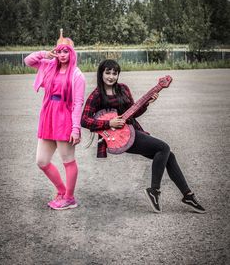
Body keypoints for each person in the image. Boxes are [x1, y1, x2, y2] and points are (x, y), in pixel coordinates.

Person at [81, 59, 206, 213]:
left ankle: (187, 195)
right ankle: (154, 190)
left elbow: (134, 112)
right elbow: (84, 120)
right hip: (118, 138)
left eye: (115, 73)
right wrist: (109, 124)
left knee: (169, 155)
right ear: (101, 73)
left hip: (132, 131)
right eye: (108, 72)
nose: (111, 76)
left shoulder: (123, 89)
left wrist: (147, 103)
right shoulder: (96, 95)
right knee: (163, 147)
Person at [24, 29, 85, 210]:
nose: (62, 55)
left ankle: (69, 198)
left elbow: (78, 103)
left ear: (72, 53)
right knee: (41, 161)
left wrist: (75, 128)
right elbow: (28, 61)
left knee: (68, 160)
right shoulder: (49, 65)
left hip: (64, 118)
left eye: (66, 51)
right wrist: (46, 53)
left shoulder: (77, 75)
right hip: (48, 115)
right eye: (59, 51)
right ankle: (62, 190)